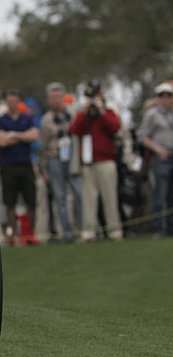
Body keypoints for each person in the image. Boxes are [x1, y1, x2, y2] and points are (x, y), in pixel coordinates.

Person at [70, 80, 123, 241]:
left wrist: (100, 111)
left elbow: (115, 127)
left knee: (109, 197)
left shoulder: (109, 110)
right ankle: (88, 232)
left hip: (106, 160)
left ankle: (115, 231)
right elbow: (74, 130)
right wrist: (86, 112)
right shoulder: (82, 113)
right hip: (88, 162)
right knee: (88, 199)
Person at [0, 90, 40, 246]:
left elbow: (34, 135)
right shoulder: (0, 120)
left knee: (31, 200)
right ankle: (14, 234)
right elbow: (1, 141)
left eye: (14, 101)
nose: (11, 104)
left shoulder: (26, 118)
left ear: (18, 102)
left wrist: (13, 135)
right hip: (8, 166)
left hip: (25, 164)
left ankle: (29, 233)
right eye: (9, 101)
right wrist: (22, 136)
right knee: (10, 201)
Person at [38, 83, 82, 243]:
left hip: (72, 159)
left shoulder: (74, 113)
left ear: (64, 97)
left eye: (59, 97)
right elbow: (42, 146)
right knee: (60, 198)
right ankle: (67, 233)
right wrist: (44, 168)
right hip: (54, 159)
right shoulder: (46, 120)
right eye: (53, 97)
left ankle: (83, 230)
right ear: (49, 100)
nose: (56, 100)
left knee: (79, 194)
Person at [137, 81, 173, 237]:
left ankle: (171, 229)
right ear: (158, 98)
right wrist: (158, 150)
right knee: (160, 194)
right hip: (161, 158)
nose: (165, 98)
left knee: (172, 196)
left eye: (169, 95)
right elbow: (142, 136)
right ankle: (157, 229)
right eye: (162, 95)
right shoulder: (151, 114)